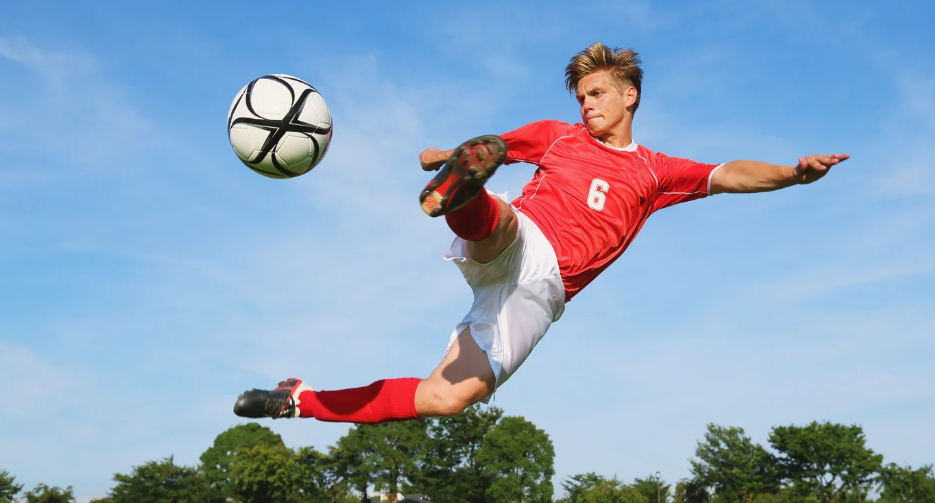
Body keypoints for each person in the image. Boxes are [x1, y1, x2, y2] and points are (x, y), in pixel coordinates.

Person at [234, 42, 848, 423]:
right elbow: (498, 146)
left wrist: (792, 175)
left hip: (542, 296)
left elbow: (729, 173)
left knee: (443, 399)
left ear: (630, 95)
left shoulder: (657, 170)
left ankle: (298, 399)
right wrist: (454, 157)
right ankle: (463, 197)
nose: (587, 104)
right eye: (581, 95)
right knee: (500, 224)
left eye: (598, 93)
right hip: (525, 237)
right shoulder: (559, 134)